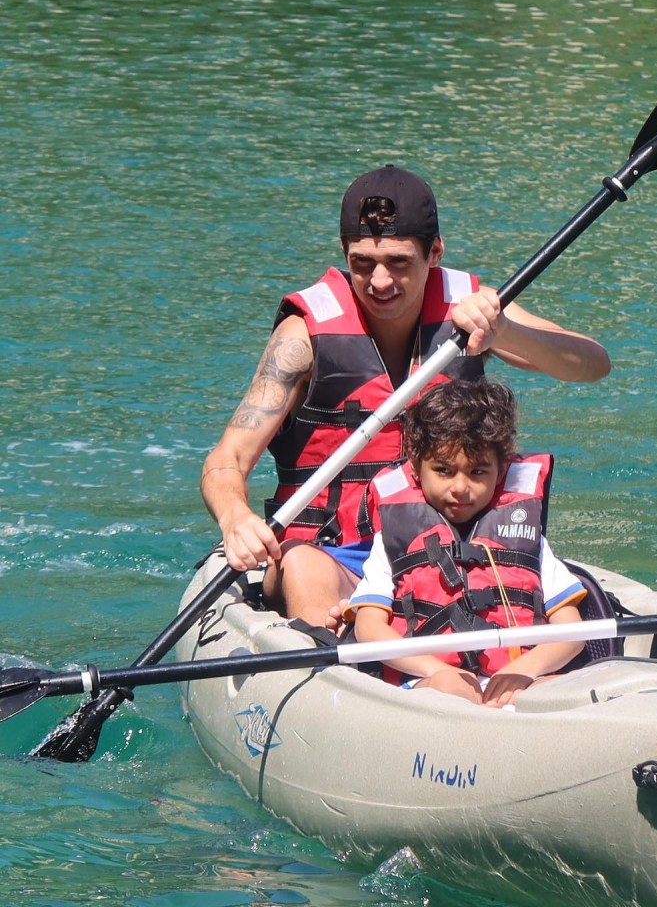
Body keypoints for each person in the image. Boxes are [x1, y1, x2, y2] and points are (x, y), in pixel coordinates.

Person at [200, 164, 609, 629]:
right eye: (362, 263)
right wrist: (236, 517)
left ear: (434, 252)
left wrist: (505, 330)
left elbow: (593, 364)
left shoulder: (473, 308)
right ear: (344, 254)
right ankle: (335, 676)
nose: (379, 281)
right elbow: (226, 458)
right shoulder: (303, 337)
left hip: (451, 549)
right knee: (302, 565)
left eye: (398, 262)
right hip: (333, 554)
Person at [344, 378, 586, 708]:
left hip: (518, 679)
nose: (461, 487)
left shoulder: (530, 541)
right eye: (444, 470)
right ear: (416, 468)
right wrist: (439, 671)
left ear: (501, 472)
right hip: (429, 682)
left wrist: (524, 671)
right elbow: (369, 628)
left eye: (477, 472)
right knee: (451, 692)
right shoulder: (393, 542)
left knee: (555, 690)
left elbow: (572, 631)